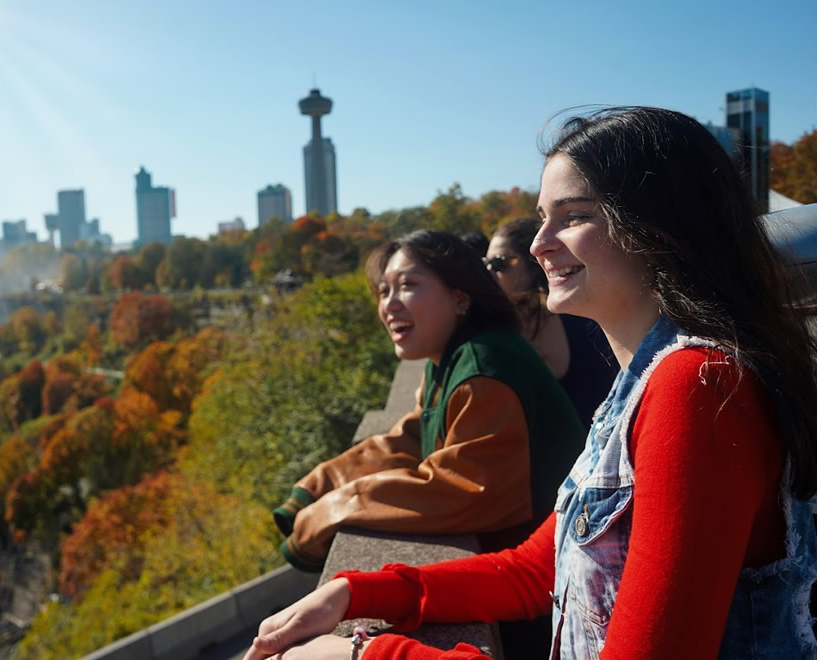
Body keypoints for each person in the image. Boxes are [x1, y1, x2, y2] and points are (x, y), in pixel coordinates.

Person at [246, 107, 817, 660]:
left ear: (658, 228)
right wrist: (357, 593)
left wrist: (363, 652)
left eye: (573, 216)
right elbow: (532, 570)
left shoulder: (698, 387)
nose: (539, 244)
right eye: (544, 217)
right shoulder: (643, 383)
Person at [273, 230, 585, 581]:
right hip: (529, 575)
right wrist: (314, 490)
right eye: (384, 290)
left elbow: (460, 491)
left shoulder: (484, 368)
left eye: (407, 285)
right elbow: (412, 438)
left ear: (460, 298)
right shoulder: (453, 357)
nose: (389, 304)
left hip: (547, 594)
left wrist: (334, 509)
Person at [486, 217, 617, 424]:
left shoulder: (528, 316)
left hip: (574, 447)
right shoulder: (588, 300)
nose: (489, 273)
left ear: (531, 262)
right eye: (485, 264)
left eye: (498, 263)